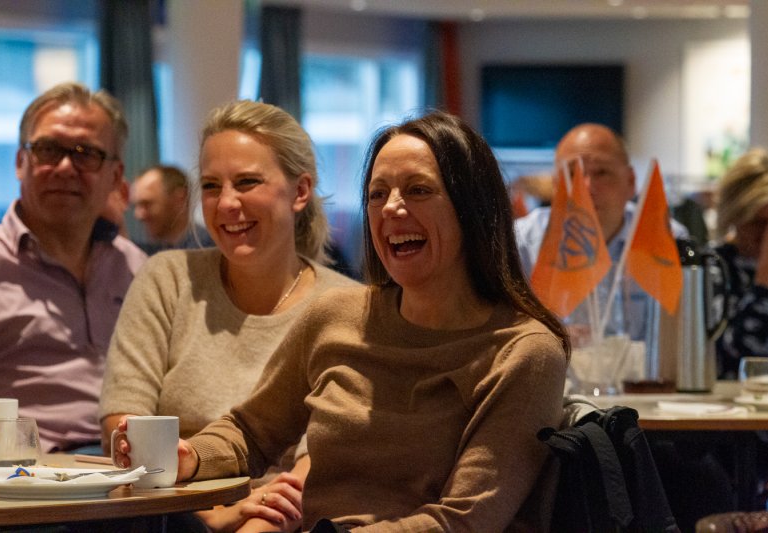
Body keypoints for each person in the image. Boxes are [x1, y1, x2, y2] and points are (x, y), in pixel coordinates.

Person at [115, 111, 570, 531]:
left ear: (472, 208)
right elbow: (252, 432)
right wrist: (193, 456)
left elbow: (463, 522)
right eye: (377, 193)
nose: (391, 208)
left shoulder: (525, 352)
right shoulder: (338, 315)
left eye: (418, 189)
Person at [100, 99, 358, 531]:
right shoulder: (167, 278)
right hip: (165, 514)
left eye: (247, 182)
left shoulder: (348, 305)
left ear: (300, 191)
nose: (226, 204)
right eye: (212, 186)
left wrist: (247, 517)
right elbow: (125, 424)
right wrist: (207, 517)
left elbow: (320, 461)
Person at [0, 82, 147, 453]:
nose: (66, 167)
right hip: (26, 481)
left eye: (86, 154)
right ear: (21, 163)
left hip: (131, 471)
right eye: (48, 149)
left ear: (115, 178)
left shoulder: (136, 268)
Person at [515, 123, 689, 343]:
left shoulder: (668, 240)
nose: (586, 187)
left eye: (601, 173)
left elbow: (683, 335)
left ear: (631, 182)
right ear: (556, 185)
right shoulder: (521, 243)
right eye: (572, 174)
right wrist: (543, 337)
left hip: (642, 377)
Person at [713, 148, 768, 378]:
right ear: (735, 217)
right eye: (759, 223)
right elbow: (737, 362)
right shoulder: (713, 268)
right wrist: (766, 279)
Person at [131, 164, 212, 254]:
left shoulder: (207, 248)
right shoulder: (154, 251)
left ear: (179, 199)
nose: (138, 215)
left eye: (147, 204)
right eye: (136, 205)